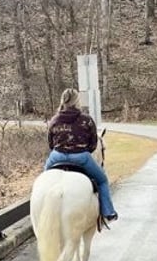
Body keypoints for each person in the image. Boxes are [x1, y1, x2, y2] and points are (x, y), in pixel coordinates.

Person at [45, 88, 118, 221]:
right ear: (77, 101)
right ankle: (108, 212)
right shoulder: (86, 120)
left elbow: (50, 143)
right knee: (102, 180)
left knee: (43, 181)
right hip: (80, 157)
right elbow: (93, 144)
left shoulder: (54, 120)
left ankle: (40, 211)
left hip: (57, 156)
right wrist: (83, 150)